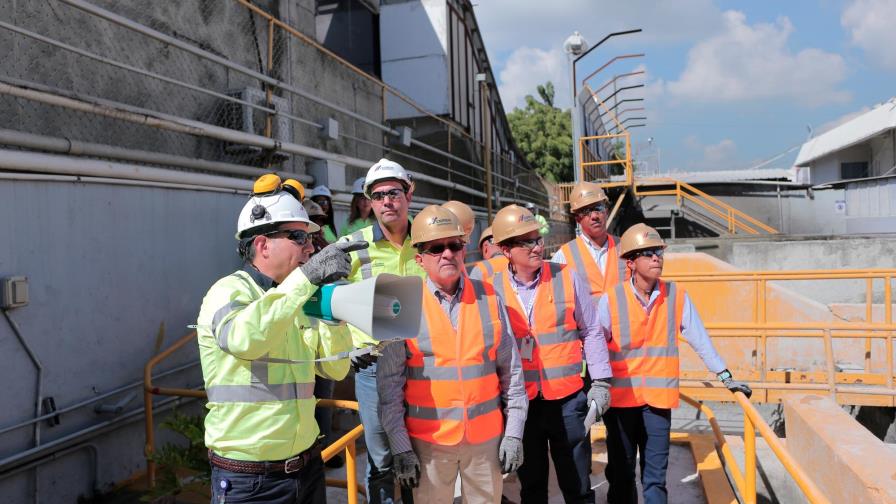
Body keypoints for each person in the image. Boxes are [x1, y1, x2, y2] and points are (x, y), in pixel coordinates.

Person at [196, 185, 366, 503]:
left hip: (307, 467)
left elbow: (335, 367)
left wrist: (332, 311)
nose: (310, 248)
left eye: (311, 239)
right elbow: (244, 340)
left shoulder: (297, 296)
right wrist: (307, 279)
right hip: (250, 482)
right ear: (262, 244)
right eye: (299, 237)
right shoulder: (228, 291)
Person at [377, 205, 528, 502]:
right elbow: (389, 388)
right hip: (429, 443)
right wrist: (401, 447)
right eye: (436, 248)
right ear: (419, 259)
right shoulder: (398, 304)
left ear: (464, 250)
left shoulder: (489, 297)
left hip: (486, 441)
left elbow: (511, 374)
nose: (447, 253)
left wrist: (514, 433)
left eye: (454, 245)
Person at [598, 223, 753, 504]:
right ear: (631, 262)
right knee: (621, 474)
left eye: (658, 252)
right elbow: (595, 346)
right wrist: (595, 385)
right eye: (648, 253)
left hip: (658, 402)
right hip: (621, 402)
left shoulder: (676, 296)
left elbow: (700, 339)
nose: (657, 258)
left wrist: (726, 375)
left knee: (655, 477)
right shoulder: (611, 299)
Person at [489, 204, 612, 504]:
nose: (537, 247)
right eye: (526, 241)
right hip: (523, 406)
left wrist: (601, 381)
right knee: (531, 488)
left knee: (578, 485)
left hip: (568, 401)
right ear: (506, 250)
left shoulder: (566, 276)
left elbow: (592, 330)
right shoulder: (492, 289)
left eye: (537, 239)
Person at [338, 158, 426, 504]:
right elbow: (329, 303)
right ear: (369, 202)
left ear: (408, 194)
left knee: (424, 450)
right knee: (382, 459)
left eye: (393, 192)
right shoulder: (352, 245)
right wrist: (349, 345)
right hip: (373, 367)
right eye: (378, 195)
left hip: (424, 362)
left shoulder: (430, 238)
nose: (387, 201)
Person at [552, 181, 627, 300]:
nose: (594, 216)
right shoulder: (564, 257)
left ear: (606, 212)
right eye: (586, 211)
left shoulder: (626, 248)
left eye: (598, 208)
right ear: (577, 218)